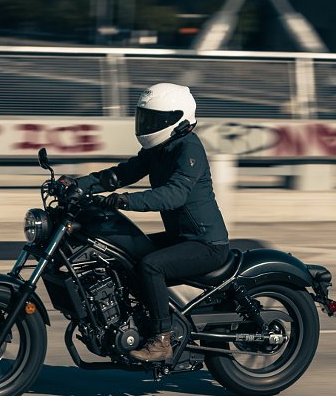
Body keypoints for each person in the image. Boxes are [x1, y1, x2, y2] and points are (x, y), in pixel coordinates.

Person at [70, 83, 230, 364]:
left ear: (178, 119)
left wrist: (125, 201)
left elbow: (175, 194)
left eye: (155, 120)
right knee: (125, 257)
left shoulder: (189, 148)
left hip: (206, 243)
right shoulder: (160, 148)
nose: (148, 125)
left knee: (151, 265)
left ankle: (161, 340)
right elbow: (121, 174)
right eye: (146, 117)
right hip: (181, 237)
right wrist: (77, 185)